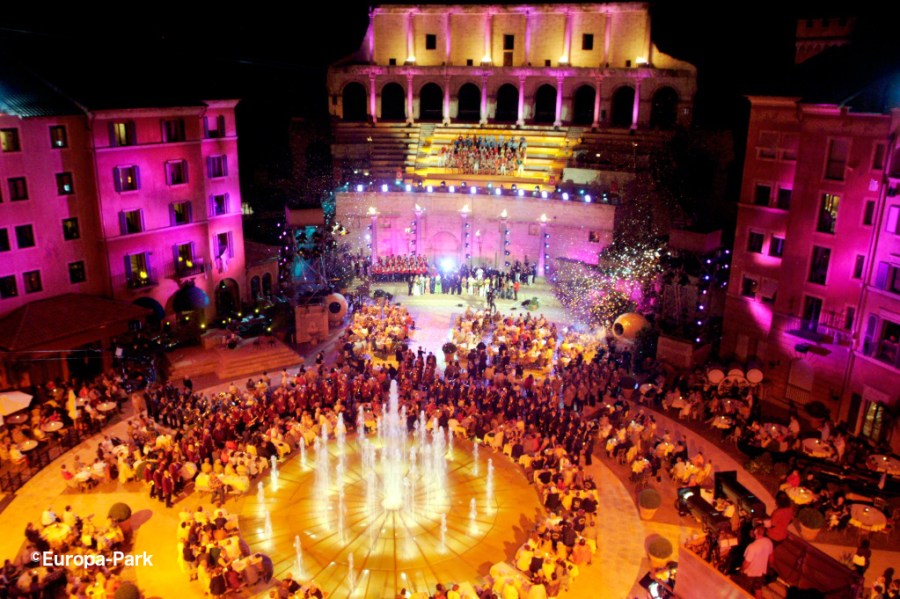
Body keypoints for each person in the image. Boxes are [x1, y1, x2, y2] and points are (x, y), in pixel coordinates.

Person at [742, 525, 774, 599]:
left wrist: (742, 570)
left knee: (744, 590)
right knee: (758, 589)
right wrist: (770, 567)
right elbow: (771, 556)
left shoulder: (752, 547)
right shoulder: (768, 542)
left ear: (755, 532)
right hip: (761, 572)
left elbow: (746, 563)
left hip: (750, 573)